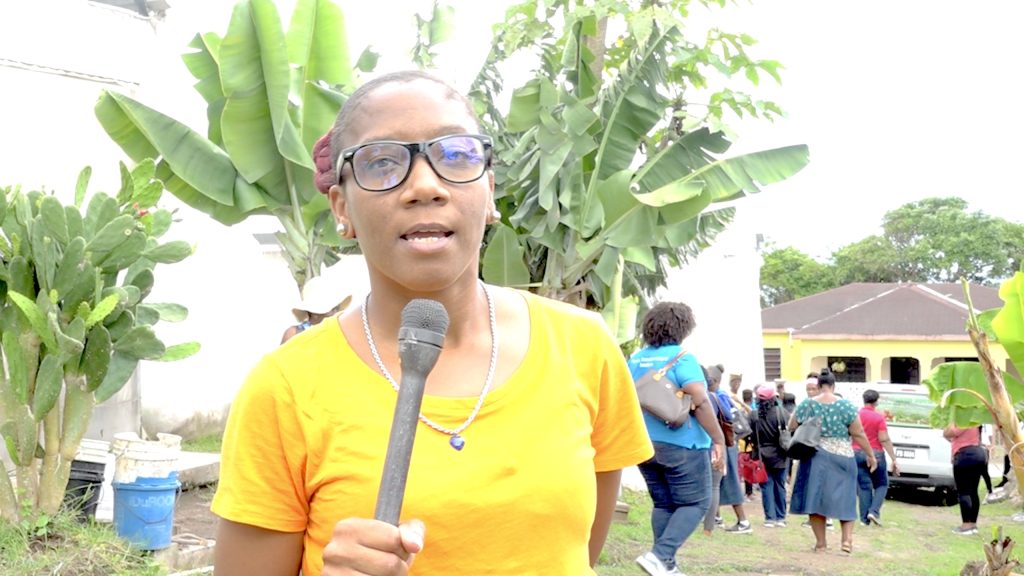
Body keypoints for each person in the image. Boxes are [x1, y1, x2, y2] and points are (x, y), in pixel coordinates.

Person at [211, 70, 655, 576]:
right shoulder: (284, 388)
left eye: (456, 154)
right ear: (341, 207)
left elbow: (575, 554)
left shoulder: (582, 346)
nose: (424, 186)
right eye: (382, 162)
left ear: (489, 191)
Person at [630, 302, 726, 576]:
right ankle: (660, 556)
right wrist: (718, 439)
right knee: (696, 502)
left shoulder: (635, 360)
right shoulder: (682, 358)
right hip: (682, 444)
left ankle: (665, 564)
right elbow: (700, 400)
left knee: (664, 504)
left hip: (645, 443)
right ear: (683, 328)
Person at [789, 368, 876, 555]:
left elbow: (792, 425)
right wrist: (870, 454)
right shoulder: (846, 406)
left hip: (815, 456)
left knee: (816, 500)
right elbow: (858, 433)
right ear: (834, 386)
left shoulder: (808, 404)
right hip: (843, 456)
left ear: (819, 385)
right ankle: (847, 540)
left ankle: (821, 544)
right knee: (847, 498)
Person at [701, 365, 752, 536]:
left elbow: (726, 419)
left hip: (724, 445)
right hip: (721, 444)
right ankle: (715, 517)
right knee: (716, 483)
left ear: (713, 380)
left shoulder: (719, 396)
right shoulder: (718, 395)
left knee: (728, 482)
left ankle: (743, 521)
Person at [854, 389, 899, 526]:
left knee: (864, 486)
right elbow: (883, 438)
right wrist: (893, 458)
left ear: (864, 400)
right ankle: (873, 511)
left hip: (857, 452)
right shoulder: (878, 417)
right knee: (881, 484)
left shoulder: (856, 415)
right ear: (876, 401)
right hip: (876, 452)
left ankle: (864, 520)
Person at [749, 385, 790, 527]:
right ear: (774, 398)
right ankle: (781, 517)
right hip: (780, 454)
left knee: (766, 486)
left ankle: (770, 518)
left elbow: (749, 434)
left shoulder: (753, 415)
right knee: (780, 485)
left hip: (761, 455)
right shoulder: (782, 413)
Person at [280, 275, 351, 344]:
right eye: (332, 309)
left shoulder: (342, 332)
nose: (336, 312)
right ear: (314, 313)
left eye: (336, 308)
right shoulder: (293, 334)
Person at [944, 424, 986, 535]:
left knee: (964, 492)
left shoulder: (963, 420)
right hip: (978, 453)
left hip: (965, 454)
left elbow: (950, 433)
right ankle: (972, 524)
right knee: (973, 492)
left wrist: (948, 425)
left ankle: (966, 525)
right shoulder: (976, 420)